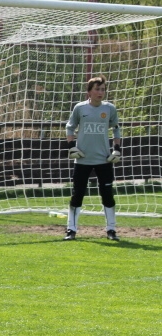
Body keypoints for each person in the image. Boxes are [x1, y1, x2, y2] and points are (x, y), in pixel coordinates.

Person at [63, 75, 122, 241]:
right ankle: (71, 230)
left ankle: (111, 230)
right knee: (77, 195)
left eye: (102, 89)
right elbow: (70, 127)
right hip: (82, 160)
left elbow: (116, 129)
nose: (100, 92)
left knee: (107, 195)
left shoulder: (109, 109)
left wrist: (117, 149)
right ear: (89, 92)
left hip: (104, 160)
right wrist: (71, 147)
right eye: (97, 89)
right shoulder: (80, 108)